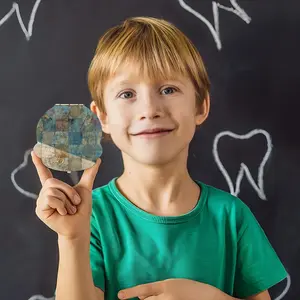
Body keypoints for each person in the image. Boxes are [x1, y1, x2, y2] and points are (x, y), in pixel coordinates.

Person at [31, 16, 287, 300]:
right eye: (127, 93)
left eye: (168, 90)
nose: (149, 109)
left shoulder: (231, 217)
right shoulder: (91, 217)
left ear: (201, 106)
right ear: (102, 117)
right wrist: (72, 239)